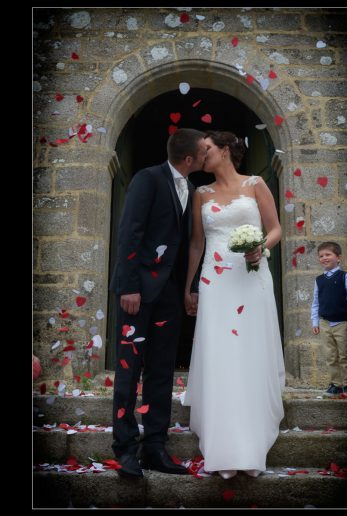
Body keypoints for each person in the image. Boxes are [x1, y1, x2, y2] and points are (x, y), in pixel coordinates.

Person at [183, 130, 285, 479]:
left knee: (249, 347)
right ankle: (222, 437)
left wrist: (260, 246)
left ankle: (252, 429)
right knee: (221, 350)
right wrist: (189, 287)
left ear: (225, 151)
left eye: (207, 149)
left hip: (251, 275)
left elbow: (275, 229)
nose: (202, 155)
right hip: (216, 279)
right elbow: (197, 244)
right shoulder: (201, 194)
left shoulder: (255, 183)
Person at [110, 128, 208, 478]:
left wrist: (188, 289)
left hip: (169, 296)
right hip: (137, 293)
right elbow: (130, 232)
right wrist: (129, 286)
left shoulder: (193, 190)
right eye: (204, 150)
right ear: (189, 158)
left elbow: (190, 246)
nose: (208, 155)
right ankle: (124, 449)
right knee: (128, 369)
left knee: (162, 371)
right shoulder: (147, 179)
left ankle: (154, 446)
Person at [311, 241, 347, 395]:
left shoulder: (345, 276)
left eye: (328, 255)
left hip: (342, 323)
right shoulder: (319, 280)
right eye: (321, 256)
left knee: (345, 355)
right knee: (330, 356)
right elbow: (315, 302)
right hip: (325, 323)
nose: (324, 258)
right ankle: (335, 384)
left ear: (338, 258)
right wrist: (315, 321)